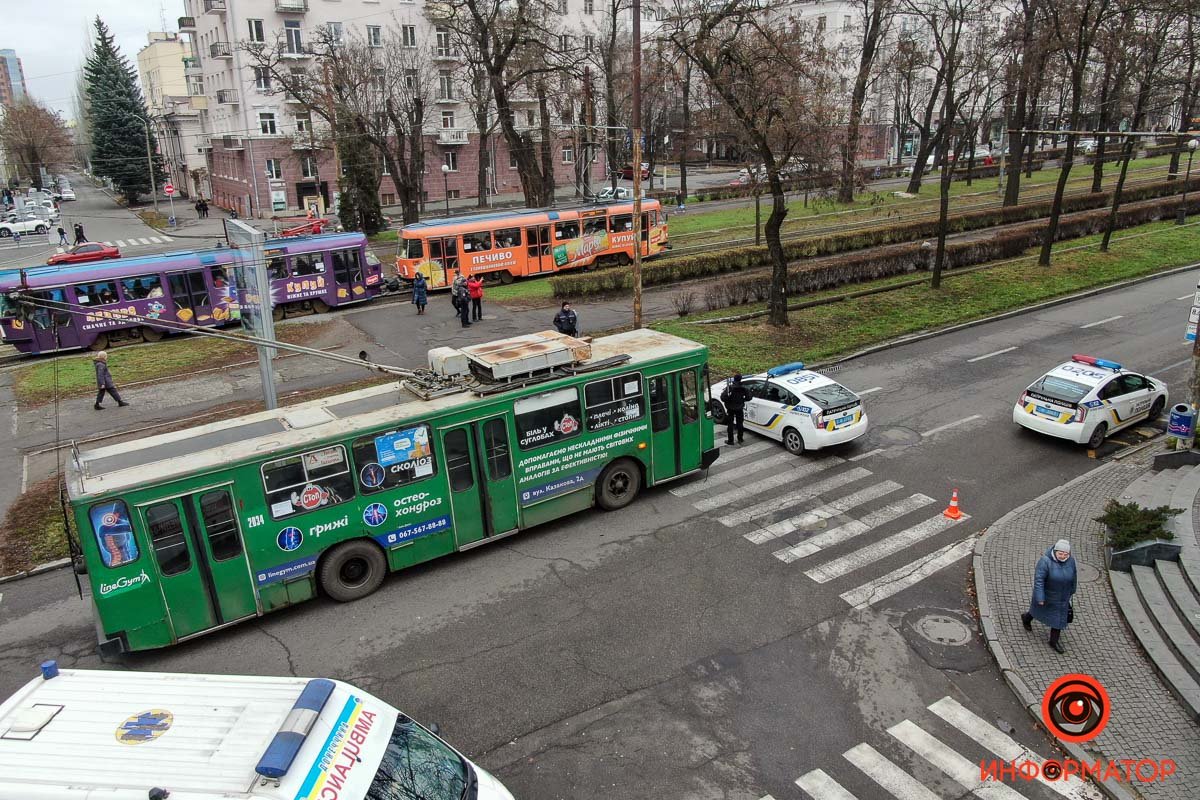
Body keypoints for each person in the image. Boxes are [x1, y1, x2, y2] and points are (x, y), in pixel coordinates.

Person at [1021, 538, 1077, 654]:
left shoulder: (1071, 561)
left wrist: (1072, 590)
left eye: (1065, 554)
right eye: (1060, 553)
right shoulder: (1045, 562)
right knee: (1036, 611)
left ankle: (1053, 641)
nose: (1063, 556)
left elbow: (1074, 577)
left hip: (1062, 597)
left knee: (1058, 619)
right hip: (1047, 595)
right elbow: (1039, 580)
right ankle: (1026, 618)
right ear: (1055, 551)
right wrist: (1040, 597)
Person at [720, 374, 751, 445]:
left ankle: (730, 440)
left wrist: (728, 399)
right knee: (740, 424)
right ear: (740, 379)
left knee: (730, 425)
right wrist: (743, 400)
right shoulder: (744, 388)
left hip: (730, 409)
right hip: (739, 408)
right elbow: (749, 397)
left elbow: (723, 398)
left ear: (734, 379)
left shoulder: (730, 388)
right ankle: (740, 439)